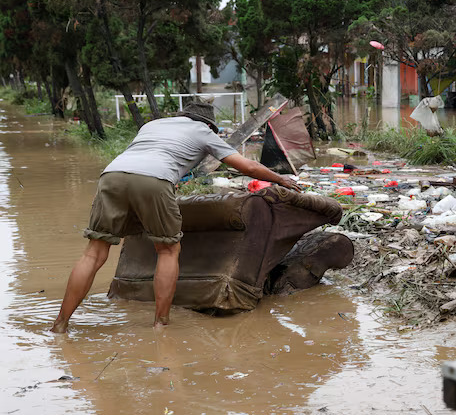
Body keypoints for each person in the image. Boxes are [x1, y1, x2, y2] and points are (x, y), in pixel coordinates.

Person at [51, 102, 301, 333]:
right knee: (168, 250)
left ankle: (60, 324)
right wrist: (281, 179)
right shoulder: (204, 132)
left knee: (93, 253)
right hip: (154, 179)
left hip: (112, 175)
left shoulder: (153, 125)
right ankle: (161, 323)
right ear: (208, 125)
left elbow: (149, 157)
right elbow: (246, 167)